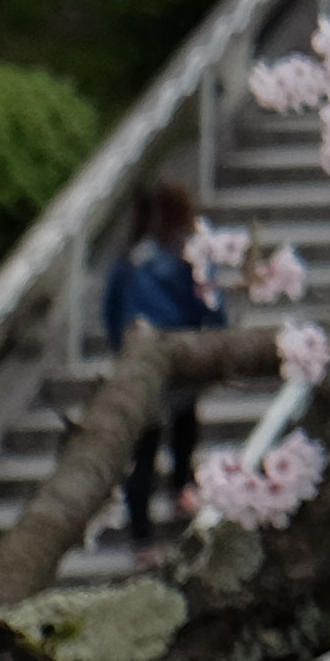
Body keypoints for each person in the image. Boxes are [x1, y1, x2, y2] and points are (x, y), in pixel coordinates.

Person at [100, 183, 225, 544]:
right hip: (180, 350)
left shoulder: (128, 256)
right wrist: (216, 345)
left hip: (139, 357)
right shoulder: (190, 251)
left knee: (145, 447)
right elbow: (209, 301)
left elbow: (111, 310)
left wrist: (120, 349)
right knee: (184, 422)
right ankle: (181, 486)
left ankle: (141, 538)